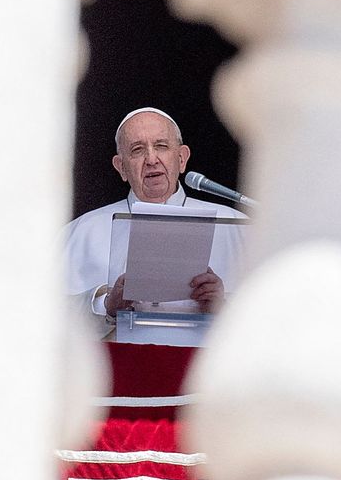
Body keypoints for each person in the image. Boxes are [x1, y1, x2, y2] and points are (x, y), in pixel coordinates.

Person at [63, 107, 245, 321]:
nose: (151, 159)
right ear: (121, 167)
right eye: (138, 150)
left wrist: (222, 305)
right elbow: (42, 314)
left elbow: (273, 309)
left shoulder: (235, 226)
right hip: (120, 354)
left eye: (161, 146)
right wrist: (104, 304)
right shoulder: (82, 232)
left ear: (182, 158)